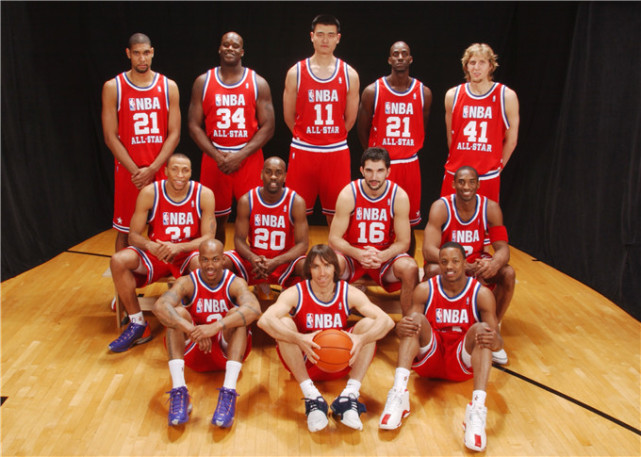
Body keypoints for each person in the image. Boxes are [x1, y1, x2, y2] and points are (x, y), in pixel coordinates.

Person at [379, 242, 503, 452]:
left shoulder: (481, 294)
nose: (449, 266)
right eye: (444, 262)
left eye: (455, 261)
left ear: (465, 263)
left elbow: (497, 341)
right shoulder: (425, 289)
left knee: (482, 330)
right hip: (431, 355)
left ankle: (477, 410)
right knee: (414, 320)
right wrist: (401, 328)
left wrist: (494, 341)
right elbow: (406, 331)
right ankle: (398, 395)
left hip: (461, 360)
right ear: (439, 264)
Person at [257, 245, 394, 432]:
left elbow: (387, 322)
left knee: (370, 324)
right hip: (306, 361)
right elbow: (264, 321)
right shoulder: (297, 292)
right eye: (316, 267)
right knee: (283, 323)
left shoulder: (347, 292)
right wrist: (299, 338)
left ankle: (349, 396)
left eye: (327, 266)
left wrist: (361, 339)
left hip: (340, 361)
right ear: (309, 270)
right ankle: (311, 396)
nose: (322, 273)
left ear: (335, 269)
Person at [108, 153, 216, 353]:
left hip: (186, 253)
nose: (180, 175)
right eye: (175, 169)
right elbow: (133, 236)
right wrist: (150, 246)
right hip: (156, 253)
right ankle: (138, 324)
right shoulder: (150, 193)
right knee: (118, 260)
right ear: (165, 171)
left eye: (185, 170)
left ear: (191, 173)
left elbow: (209, 237)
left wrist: (179, 247)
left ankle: (197, 321)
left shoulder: (204, 194)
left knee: (203, 263)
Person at [152, 238, 261, 428]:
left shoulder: (235, 283)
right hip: (196, 349)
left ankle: (228, 392)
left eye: (215, 259)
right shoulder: (187, 282)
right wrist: (193, 330)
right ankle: (179, 390)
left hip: (225, 350)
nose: (210, 265)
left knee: (238, 315)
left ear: (224, 260)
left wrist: (216, 326)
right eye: (205, 259)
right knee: (176, 314)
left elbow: (254, 309)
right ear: (199, 260)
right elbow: (159, 306)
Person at [189, 31, 275, 246]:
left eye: (235, 46)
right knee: (214, 220)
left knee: (256, 218)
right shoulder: (203, 82)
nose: (230, 48)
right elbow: (193, 125)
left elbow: (269, 127)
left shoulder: (258, 83)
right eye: (226, 44)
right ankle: (216, 262)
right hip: (214, 156)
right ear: (219, 48)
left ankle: (256, 264)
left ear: (242, 51)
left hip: (249, 157)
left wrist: (240, 155)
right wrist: (218, 156)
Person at [423, 166, 515, 364]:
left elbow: (503, 248)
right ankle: (433, 333)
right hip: (451, 266)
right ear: (453, 184)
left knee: (508, 273)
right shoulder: (441, 207)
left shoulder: (490, 208)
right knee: (431, 270)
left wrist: (494, 263)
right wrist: (461, 265)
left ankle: (492, 330)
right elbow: (429, 251)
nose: (466, 187)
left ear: (478, 184)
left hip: (478, 264)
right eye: (462, 182)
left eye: (471, 182)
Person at [102, 33, 181, 253]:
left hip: (160, 168)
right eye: (136, 53)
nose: (142, 58)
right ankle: (122, 275)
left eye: (146, 53)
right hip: (130, 171)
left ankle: (164, 272)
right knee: (126, 231)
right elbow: (110, 136)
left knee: (165, 230)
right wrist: (137, 172)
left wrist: (153, 169)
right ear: (128, 54)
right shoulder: (113, 87)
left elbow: (174, 134)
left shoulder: (169, 86)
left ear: (152, 52)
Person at [282, 14, 360, 225]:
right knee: (295, 212)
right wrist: (306, 136)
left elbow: (350, 119)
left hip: (335, 151)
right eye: (320, 34)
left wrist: (331, 137)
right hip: (303, 150)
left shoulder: (350, 74)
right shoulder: (296, 72)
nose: (325, 39)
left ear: (338, 38)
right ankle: (295, 250)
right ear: (312, 36)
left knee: (338, 214)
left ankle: (336, 249)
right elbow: (288, 116)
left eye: (331, 35)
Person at [357, 41, 432, 255]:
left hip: (409, 163)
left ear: (410, 59)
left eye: (404, 54)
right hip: (381, 166)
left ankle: (407, 267)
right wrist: (376, 158)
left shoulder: (424, 93)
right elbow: (362, 129)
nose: (400, 57)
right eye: (395, 54)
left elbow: (421, 126)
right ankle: (371, 265)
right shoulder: (373, 91)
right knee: (376, 218)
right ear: (389, 59)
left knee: (408, 223)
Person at [328, 147, 419, 315]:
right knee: (330, 264)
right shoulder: (349, 194)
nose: (374, 177)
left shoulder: (398, 196)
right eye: (369, 170)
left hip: (383, 257)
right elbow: (334, 239)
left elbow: (404, 242)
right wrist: (358, 254)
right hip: (352, 256)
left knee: (410, 268)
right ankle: (332, 318)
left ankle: (409, 322)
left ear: (388, 172)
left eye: (380, 171)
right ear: (362, 170)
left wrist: (383, 255)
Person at [442, 43, 520, 202]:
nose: (476, 67)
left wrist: (497, 167)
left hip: (486, 175)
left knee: (485, 217)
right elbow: (451, 137)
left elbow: (511, 140)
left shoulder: (506, 96)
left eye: (482, 62)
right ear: (466, 66)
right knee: (448, 216)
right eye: (472, 62)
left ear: (491, 66)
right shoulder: (453, 95)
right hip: (456, 173)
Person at [223, 156, 308, 297]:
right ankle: (231, 302)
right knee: (221, 263)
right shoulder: (247, 200)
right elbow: (238, 239)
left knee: (309, 267)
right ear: (261, 174)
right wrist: (253, 258)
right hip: (254, 261)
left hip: (284, 262)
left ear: (285, 176)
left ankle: (292, 294)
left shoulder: (296, 202)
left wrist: (276, 261)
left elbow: (303, 244)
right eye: (268, 172)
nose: (273, 176)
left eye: (278, 173)